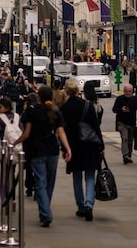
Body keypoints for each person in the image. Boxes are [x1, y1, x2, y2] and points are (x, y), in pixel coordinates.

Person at [13, 86, 71, 228]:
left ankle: (45, 213)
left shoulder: (32, 111)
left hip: (37, 149)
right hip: (52, 150)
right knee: (49, 183)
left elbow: (26, 134)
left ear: (39, 96)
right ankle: (45, 209)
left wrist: (15, 142)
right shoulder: (55, 111)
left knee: (40, 183)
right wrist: (67, 148)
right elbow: (61, 131)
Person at [60, 78, 104, 222]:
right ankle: (89, 204)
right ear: (78, 90)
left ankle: (81, 206)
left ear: (66, 91)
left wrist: (64, 148)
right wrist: (101, 145)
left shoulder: (64, 108)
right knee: (90, 175)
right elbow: (96, 127)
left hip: (73, 146)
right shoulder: (87, 105)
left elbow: (62, 131)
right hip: (89, 145)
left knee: (77, 176)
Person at [112, 83, 137, 164]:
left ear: (132, 92)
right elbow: (114, 109)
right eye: (126, 91)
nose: (128, 93)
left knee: (130, 140)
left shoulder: (135, 99)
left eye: (129, 91)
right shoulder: (119, 99)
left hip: (131, 122)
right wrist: (121, 109)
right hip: (121, 122)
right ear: (124, 91)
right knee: (125, 138)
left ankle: (129, 155)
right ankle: (125, 155)